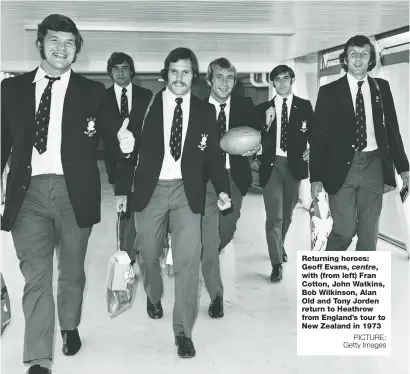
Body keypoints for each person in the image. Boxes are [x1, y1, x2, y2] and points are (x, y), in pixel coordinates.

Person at [0, 14, 134, 374]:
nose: (62, 48)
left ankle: (69, 324)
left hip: (75, 193)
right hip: (26, 195)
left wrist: (125, 143)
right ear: (40, 43)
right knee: (37, 278)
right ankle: (39, 358)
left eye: (70, 42)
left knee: (72, 271)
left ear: (77, 49)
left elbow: (115, 136)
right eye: (55, 41)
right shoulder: (11, 91)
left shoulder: (93, 93)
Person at [115, 47, 231, 358]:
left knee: (187, 262)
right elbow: (128, 151)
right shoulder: (145, 106)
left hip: (187, 191)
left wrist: (221, 188)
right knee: (148, 254)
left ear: (195, 77)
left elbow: (214, 157)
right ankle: (154, 295)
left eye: (186, 71)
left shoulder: (206, 112)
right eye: (174, 71)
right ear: (166, 73)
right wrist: (122, 185)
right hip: (150, 191)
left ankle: (183, 331)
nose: (180, 77)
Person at [309, 35, 409, 251]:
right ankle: (328, 276)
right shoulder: (329, 91)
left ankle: (360, 283)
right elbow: (317, 136)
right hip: (340, 167)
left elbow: (392, 129)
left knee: (368, 234)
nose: (358, 58)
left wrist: (403, 167)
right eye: (353, 54)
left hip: (374, 166)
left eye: (364, 54)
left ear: (371, 59)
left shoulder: (382, 87)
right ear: (345, 58)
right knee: (344, 231)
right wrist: (315, 176)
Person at [201, 57, 260, 318]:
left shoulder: (245, 105)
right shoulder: (197, 109)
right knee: (210, 237)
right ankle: (216, 295)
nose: (225, 83)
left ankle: (203, 255)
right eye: (219, 77)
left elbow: (259, 135)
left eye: (230, 78)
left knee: (226, 230)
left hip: (234, 178)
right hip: (205, 181)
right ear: (209, 80)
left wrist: (257, 147)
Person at [256, 65, 312, 281]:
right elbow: (254, 137)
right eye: (277, 79)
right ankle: (276, 263)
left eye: (285, 78)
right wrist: (265, 123)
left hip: (294, 167)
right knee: (274, 217)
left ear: (292, 80)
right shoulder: (263, 109)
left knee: (287, 215)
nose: (281, 82)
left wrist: (313, 147)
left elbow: (315, 132)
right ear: (272, 83)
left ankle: (279, 245)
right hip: (272, 167)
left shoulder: (304, 106)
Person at [99, 52, 152, 264]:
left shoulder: (145, 94)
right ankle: (126, 252)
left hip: (143, 161)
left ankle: (138, 244)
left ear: (131, 70)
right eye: (116, 69)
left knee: (142, 205)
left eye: (125, 68)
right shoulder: (102, 97)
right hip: (117, 164)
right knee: (125, 208)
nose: (121, 73)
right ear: (110, 72)